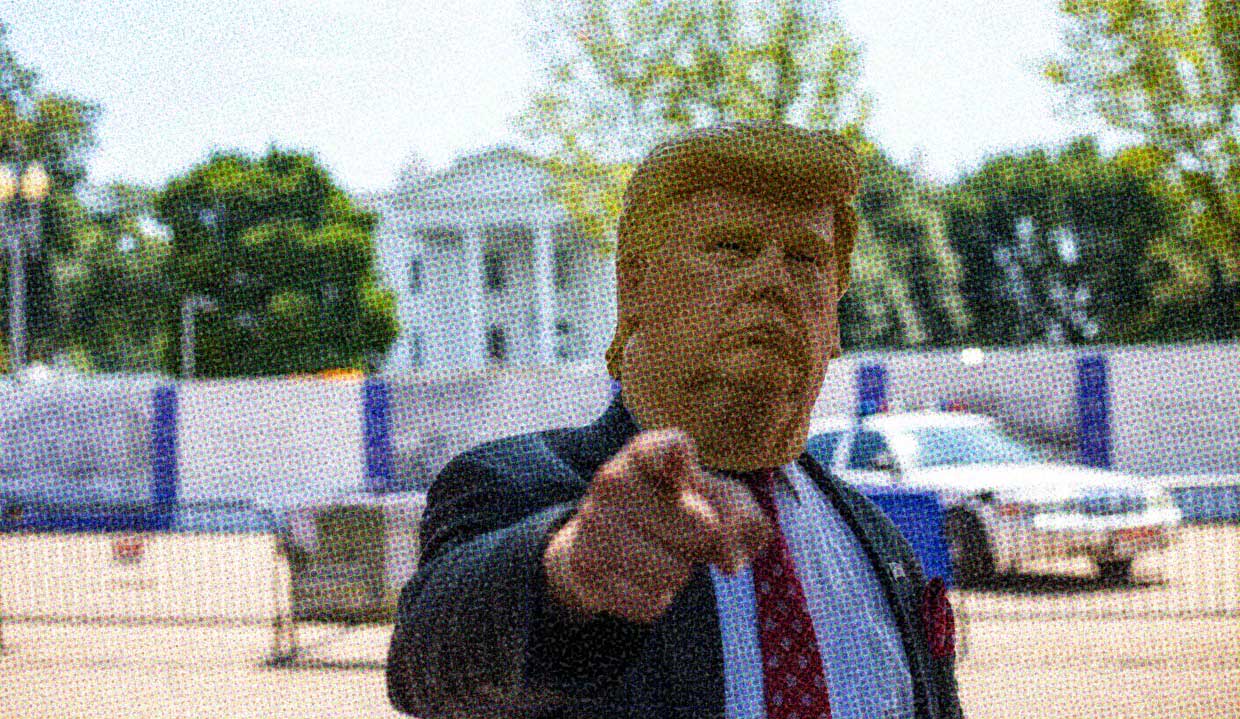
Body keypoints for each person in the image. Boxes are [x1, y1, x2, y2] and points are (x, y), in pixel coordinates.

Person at [387, 121, 963, 719]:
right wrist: (570, 573)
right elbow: (428, 669)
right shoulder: (518, 489)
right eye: (732, 247)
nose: (774, 279)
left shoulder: (877, 541)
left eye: (806, 258)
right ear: (634, 289)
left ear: (836, 320)